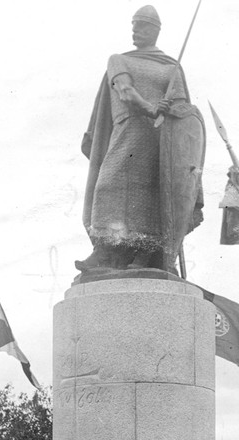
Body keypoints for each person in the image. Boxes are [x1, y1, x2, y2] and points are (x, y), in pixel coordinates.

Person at [77, 5, 204, 273]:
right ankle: (106, 251)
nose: (135, 31)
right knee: (107, 187)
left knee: (153, 195)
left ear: (156, 30)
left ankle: (145, 257)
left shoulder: (172, 68)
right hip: (128, 132)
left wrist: (170, 109)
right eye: (133, 25)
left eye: (142, 25)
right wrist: (152, 108)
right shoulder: (119, 60)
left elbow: (182, 112)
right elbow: (125, 92)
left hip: (161, 141)